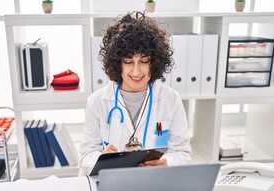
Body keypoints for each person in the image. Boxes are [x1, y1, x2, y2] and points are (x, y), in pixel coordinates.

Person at [79, 11, 191, 175]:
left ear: (154, 63)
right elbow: (86, 156)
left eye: (144, 61)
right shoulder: (97, 101)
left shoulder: (171, 99)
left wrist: (167, 162)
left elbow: (183, 153)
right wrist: (101, 159)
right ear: (118, 63)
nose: (136, 71)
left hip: (152, 181)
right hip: (112, 181)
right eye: (128, 61)